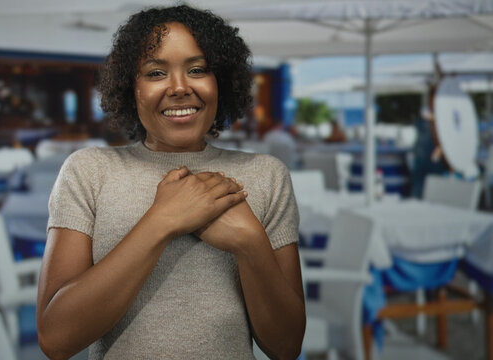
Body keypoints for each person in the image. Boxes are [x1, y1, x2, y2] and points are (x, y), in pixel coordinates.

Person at [36, 5, 305, 359]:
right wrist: (163, 221)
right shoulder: (89, 172)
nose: (179, 88)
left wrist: (250, 243)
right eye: (156, 72)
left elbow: (286, 347)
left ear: (220, 82)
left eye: (197, 69)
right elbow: (56, 339)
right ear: (130, 89)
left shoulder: (267, 176)